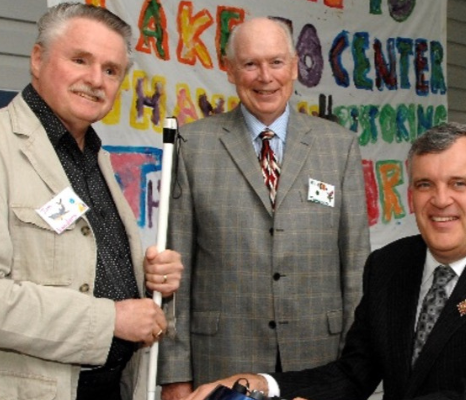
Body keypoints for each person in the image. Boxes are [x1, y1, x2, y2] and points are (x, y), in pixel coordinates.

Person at [183, 122, 466, 400]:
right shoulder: (388, 266)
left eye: (459, 184)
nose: (440, 200)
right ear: (409, 196)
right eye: (424, 185)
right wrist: (265, 384)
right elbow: (354, 373)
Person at [0, 3, 184, 399]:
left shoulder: (96, 158)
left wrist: (150, 286)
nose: (96, 80)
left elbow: (81, 269)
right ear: (38, 58)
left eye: (111, 70)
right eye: (80, 60)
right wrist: (110, 319)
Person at [158, 17, 371, 399]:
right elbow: (176, 272)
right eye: (250, 64)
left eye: (275, 62)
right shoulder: (194, 146)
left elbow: (356, 267)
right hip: (220, 358)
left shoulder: (339, 148)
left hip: (318, 358)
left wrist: (357, 368)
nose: (265, 77)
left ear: (293, 67)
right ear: (230, 70)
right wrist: (174, 375)